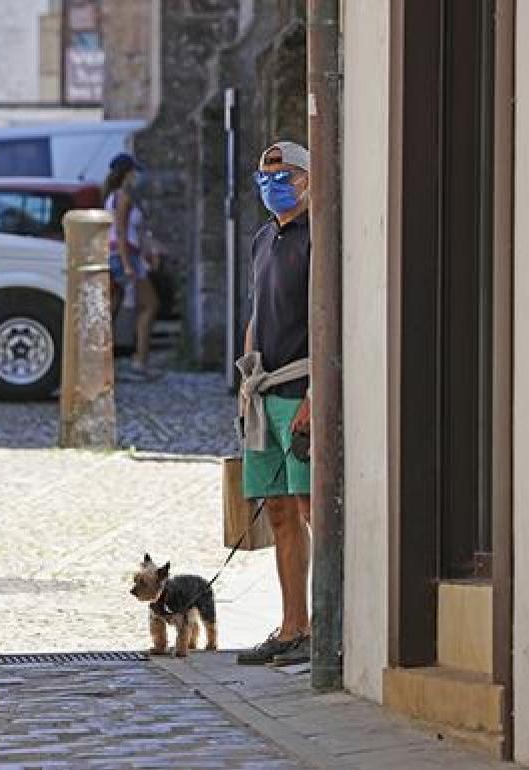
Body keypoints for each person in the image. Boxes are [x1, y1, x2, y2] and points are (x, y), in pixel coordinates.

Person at [235, 141, 313, 667]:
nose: (273, 185)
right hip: (264, 394)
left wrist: (316, 397)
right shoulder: (264, 238)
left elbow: (327, 320)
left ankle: (330, 623)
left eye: (283, 175)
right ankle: (293, 625)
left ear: (307, 179)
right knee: (280, 514)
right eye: (265, 177)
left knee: (314, 510)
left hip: (302, 391)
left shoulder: (320, 238)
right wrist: (244, 386)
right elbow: (257, 313)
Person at [103, 152, 161, 379]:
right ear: (127, 174)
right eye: (134, 172)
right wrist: (129, 265)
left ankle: (107, 362)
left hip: (124, 255)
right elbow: (120, 232)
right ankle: (140, 362)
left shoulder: (113, 196)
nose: (136, 176)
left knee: (113, 311)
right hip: (125, 256)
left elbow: (132, 232)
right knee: (150, 305)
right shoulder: (123, 198)